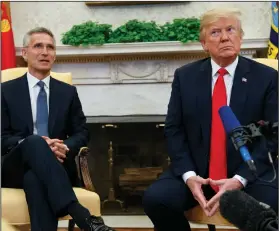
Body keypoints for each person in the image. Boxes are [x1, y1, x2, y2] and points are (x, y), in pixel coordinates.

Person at [143, 8, 278, 231]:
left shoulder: (266, 78)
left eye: (230, 30)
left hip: (249, 175)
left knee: (269, 206)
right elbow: (174, 130)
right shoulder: (185, 77)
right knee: (157, 199)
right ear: (204, 43)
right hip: (198, 174)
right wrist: (189, 176)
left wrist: (239, 179)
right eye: (215, 32)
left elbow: (273, 135)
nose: (225, 37)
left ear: (240, 37)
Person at [1, 27, 115, 231]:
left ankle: (83, 218)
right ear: (25, 53)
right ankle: (80, 213)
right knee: (35, 141)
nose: (45, 52)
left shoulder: (67, 92)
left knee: (34, 179)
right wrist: (33, 145)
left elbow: (82, 132)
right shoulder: (6, 90)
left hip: (56, 165)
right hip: (13, 166)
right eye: (38, 46)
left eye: (50, 47)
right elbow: (2, 136)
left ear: (54, 54)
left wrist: (64, 146)